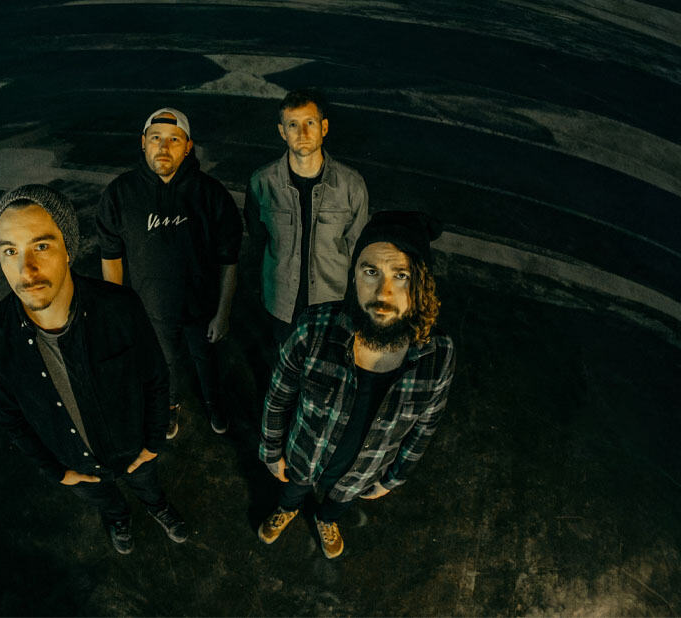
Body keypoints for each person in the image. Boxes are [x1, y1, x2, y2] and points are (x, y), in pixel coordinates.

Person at [0, 184, 188, 555]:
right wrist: (57, 471)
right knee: (106, 501)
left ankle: (157, 507)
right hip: (74, 463)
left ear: (68, 248)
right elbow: (9, 416)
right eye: (10, 251)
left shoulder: (119, 307)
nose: (26, 270)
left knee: (148, 486)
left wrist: (152, 445)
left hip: (134, 450)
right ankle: (118, 518)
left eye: (41, 246)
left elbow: (155, 378)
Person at [257, 211, 455, 559]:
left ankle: (325, 519)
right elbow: (279, 396)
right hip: (302, 457)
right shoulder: (313, 329)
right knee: (292, 490)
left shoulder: (436, 356)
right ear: (353, 277)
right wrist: (272, 451)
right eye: (370, 272)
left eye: (401, 275)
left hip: (360, 474)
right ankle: (287, 510)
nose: (384, 291)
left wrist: (391, 479)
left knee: (336, 504)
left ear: (422, 282)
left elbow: (424, 429)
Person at [96, 107, 243, 436]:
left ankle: (213, 403)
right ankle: (170, 404)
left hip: (201, 309)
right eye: (156, 138)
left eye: (174, 140)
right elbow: (111, 255)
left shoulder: (211, 195)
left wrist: (223, 313)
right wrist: (121, 310)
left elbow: (228, 260)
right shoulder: (120, 194)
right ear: (143, 143)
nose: (164, 147)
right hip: (151, 309)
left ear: (188, 146)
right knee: (164, 363)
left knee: (207, 361)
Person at [244, 88, 369, 344]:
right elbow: (258, 239)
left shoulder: (351, 185)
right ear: (282, 132)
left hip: (331, 307)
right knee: (283, 371)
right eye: (293, 125)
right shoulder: (261, 183)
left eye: (309, 123)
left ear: (323, 128)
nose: (302, 134)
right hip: (280, 306)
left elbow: (359, 251)